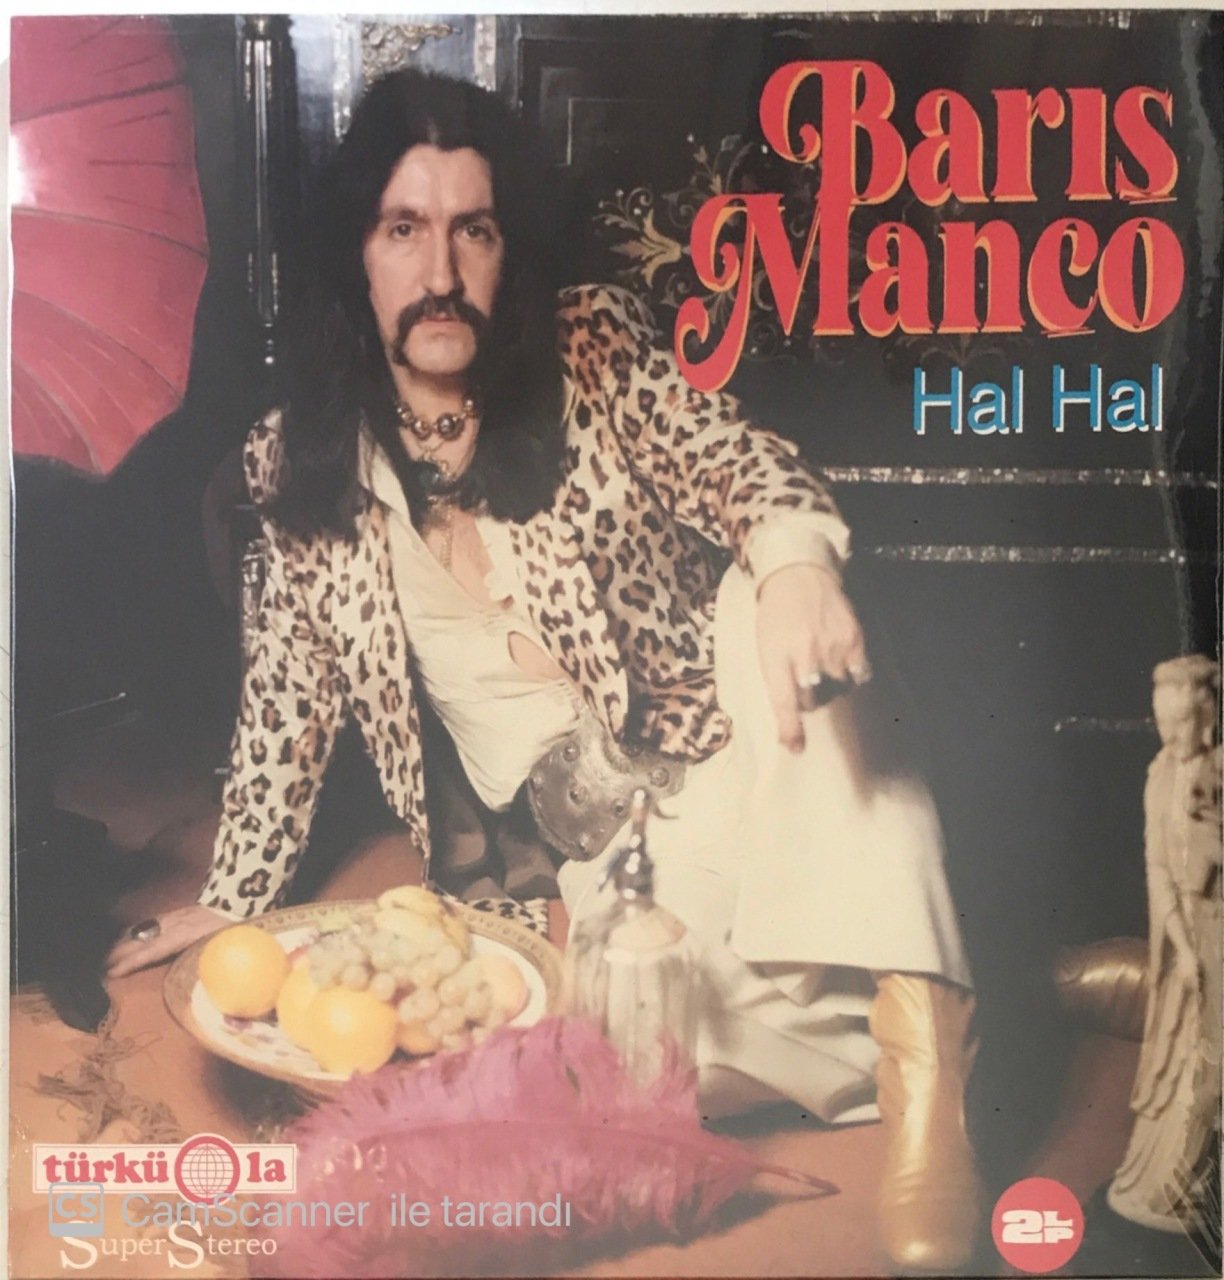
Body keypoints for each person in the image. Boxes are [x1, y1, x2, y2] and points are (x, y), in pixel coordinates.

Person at [107, 68, 979, 1269]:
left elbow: (731, 457)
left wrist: (793, 564)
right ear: (356, 255)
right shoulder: (297, 463)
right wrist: (234, 890)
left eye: (472, 228)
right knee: (622, 1047)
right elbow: (288, 701)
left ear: (506, 246)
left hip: (748, 755)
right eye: (403, 230)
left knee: (771, 594)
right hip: (619, 862)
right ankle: (959, 985)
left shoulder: (593, 347)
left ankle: (933, 1076)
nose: (441, 271)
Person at [1108, 655, 1221, 1235]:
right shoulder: (1160, 775)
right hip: (1190, 939)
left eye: (1180, 724)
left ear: (1207, 718)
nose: (1169, 736)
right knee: (1187, 1055)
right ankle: (1172, 1180)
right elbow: (1158, 867)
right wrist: (1184, 943)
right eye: (1161, 723)